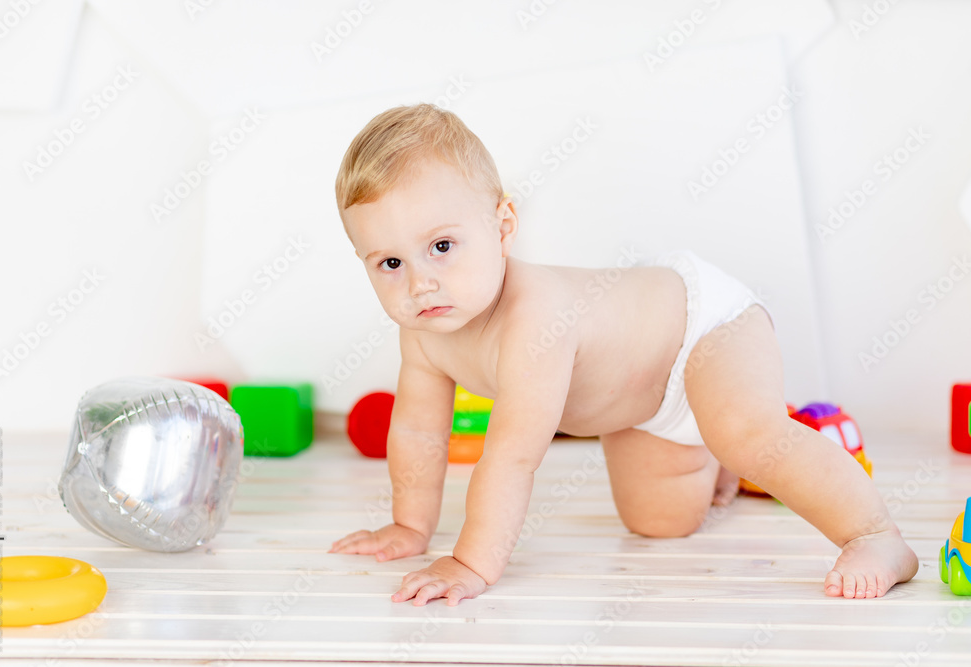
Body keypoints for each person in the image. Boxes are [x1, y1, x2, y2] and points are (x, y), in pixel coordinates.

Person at [329, 103, 918, 606]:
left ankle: (875, 535)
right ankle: (716, 459)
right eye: (390, 263)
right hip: (644, 402)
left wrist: (470, 564)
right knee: (659, 523)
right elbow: (418, 432)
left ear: (503, 226)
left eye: (441, 246)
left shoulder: (535, 319)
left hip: (702, 328)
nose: (420, 284)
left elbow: (511, 457)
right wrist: (410, 525)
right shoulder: (423, 332)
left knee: (747, 433)